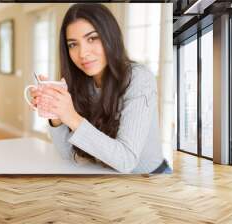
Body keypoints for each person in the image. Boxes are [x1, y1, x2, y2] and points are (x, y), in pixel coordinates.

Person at [29, 3, 171, 174]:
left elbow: (126, 161)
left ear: (110, 36)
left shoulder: (138, 78)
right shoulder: (81, 82)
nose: (82, 53)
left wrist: (71, 117)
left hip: (151, 181)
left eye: (92, 38)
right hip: (106, 180)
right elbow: (68, 154)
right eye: (73, 44)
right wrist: (57, 115)